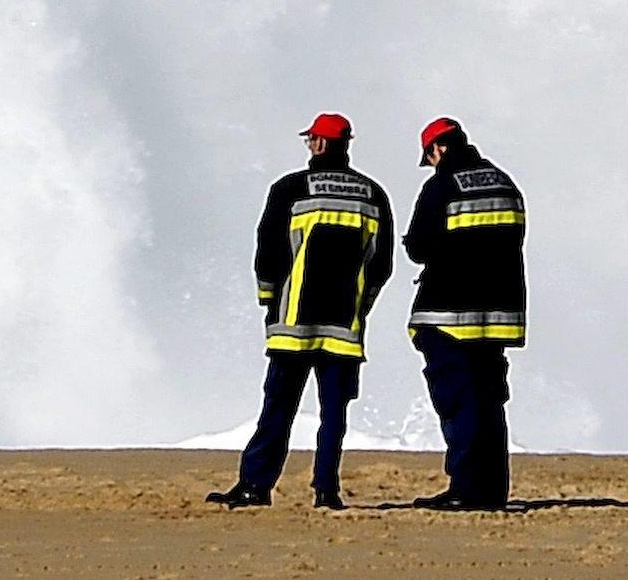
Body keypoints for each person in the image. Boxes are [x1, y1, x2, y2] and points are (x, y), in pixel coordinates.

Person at [207, 112, 394, 511]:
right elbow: (382, 265)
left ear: (321, 144)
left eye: (311, 139)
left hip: (293, 324)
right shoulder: (373, 194)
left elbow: (269, 253)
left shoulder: (290, 189)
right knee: (334, 416)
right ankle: (326, 491)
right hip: (345, 329)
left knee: (277, 409)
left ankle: (255, 485)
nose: (310, 145)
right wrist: (363, 307)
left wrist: (268, 301)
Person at [405, 117, 527, 511]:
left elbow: (419, 247)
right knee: (490, 402)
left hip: (449, 313)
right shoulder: (505, 183)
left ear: (438, 149)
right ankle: (492, 491)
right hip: (497, 315)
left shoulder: (441, 186)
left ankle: (466, 490)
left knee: (460, 401)